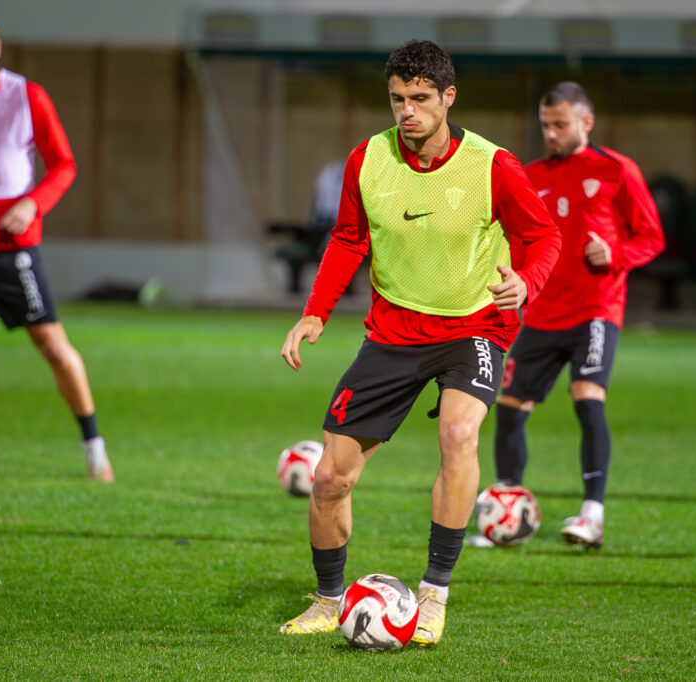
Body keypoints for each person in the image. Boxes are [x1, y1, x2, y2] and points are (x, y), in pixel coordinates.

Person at [278, 39, 561, 647]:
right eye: (397, 99)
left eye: (421, 98)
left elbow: (544, 238)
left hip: (475, 325)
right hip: (394, 332)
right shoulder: (367, 159)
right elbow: (348, 239)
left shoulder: (493, 165)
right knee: (329, 478)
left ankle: (433, 594)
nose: (407, 111)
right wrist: (314, 313)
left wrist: (526, 282)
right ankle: (328, 600)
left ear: (448, 97)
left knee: (458, 435)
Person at [483, 81, 664, 550]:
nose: (550, 134)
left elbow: (652, 237)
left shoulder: (617, 170)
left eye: (560, 125)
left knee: (587, 399)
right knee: (509, 410)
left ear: (587, 121)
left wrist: (615, 254)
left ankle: (592, 516)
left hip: (595, 309)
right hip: (541, 311)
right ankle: (507, 510)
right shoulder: (531, 174)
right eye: (545, 125)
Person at [0, 14, 112, 482]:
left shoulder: (27, 96)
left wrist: (33, 204)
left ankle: (94, 448)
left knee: (53, 346)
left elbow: (64, 164)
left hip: (11, 248)